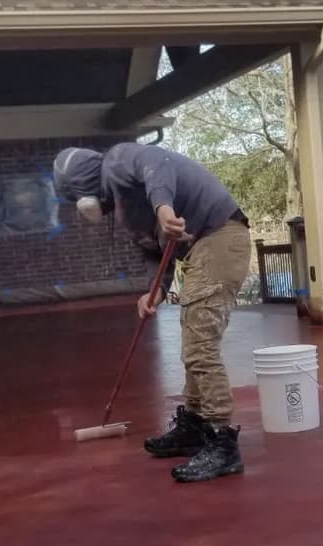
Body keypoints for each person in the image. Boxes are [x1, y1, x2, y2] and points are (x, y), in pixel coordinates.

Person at [53, 143, 252, 481]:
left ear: (83, 189)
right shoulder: (124, 207)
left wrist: (163, 207)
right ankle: (195, 425)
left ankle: (223, 443)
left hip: (219, 236)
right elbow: (156, 251)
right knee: (193, 342)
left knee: (200, 345)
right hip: (201, 247)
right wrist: (155, 290)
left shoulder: (117, 161)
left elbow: (156, 160)